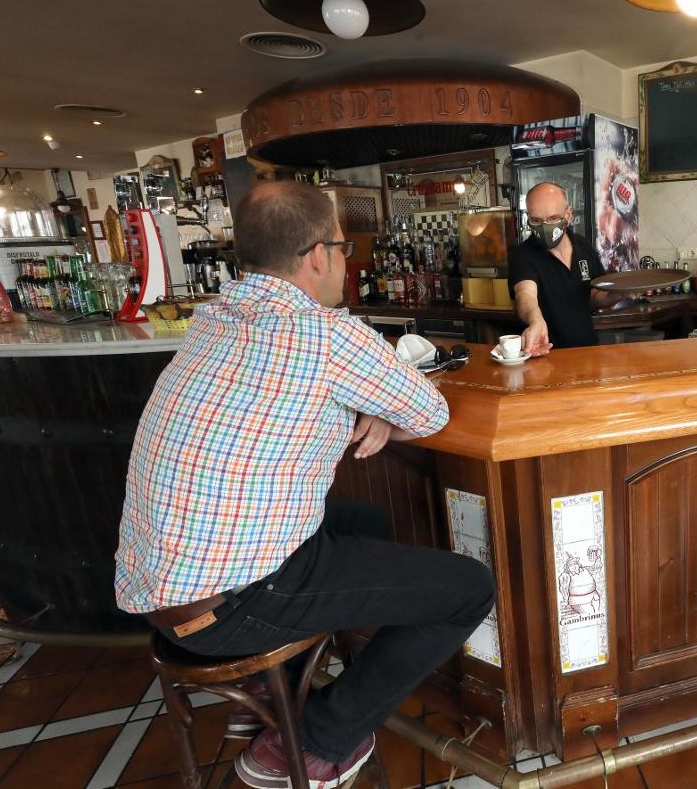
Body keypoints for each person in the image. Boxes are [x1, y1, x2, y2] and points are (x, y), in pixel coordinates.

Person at [114, 182, 495, 789]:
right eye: (344, 247)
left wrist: (370, 403)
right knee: (469, 590)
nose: (345, 261)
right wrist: (382, 404)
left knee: (364, 522)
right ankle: (318, 741)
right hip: (231, 607)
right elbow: (430, 412)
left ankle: (270, 684)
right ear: (319, 254)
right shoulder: (324, 334)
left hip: (157, 593)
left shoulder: (212, 320)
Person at [509, 182, 624, 355]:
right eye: (536, 220)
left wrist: (622, 292)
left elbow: (594, 297)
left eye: (553, 218)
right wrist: (536, 321)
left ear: (568, 215)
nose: (545, 226)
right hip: (546, 354)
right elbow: (525, 296)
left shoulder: (584, 246)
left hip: (588, 352)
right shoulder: (523, 255)